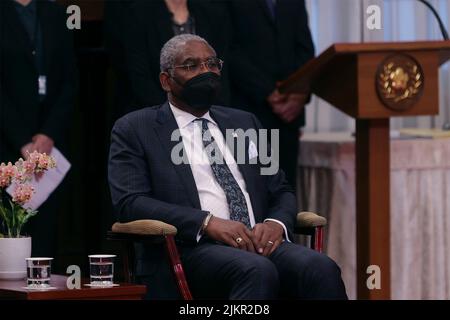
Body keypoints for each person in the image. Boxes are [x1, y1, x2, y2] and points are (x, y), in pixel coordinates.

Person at [108, 34, 346, 299]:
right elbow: (130, 202)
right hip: (190, 248)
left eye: (212, 64)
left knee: (320, 267)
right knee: (256, 270)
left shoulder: (245, 123)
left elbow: (280, 190)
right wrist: (206, 223)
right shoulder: (135, 128)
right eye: (191, 66)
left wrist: (275, 223)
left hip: (258, 241)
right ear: (166, 80)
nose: (205, 72)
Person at [0, 0, 76, 256]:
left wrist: (48, 134)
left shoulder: (54, 12)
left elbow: (69, 80)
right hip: (7, 140)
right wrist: (23, 141)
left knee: (45, 233)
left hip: (49, 141)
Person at [228, 0, 315, 188]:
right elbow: (228, 50)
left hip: (288, 116)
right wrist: (268, 92)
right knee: (251, 190)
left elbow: (305, 51)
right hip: (247, 111)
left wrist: (299, 96)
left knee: (284, 188)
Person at [125, 0, 232, 115]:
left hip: (209, 110)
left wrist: (214, 112)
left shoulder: (213, 12)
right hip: (156, 112)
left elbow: (220, 69)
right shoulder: (138, 13)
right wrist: (172, 113)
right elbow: (139, 75)